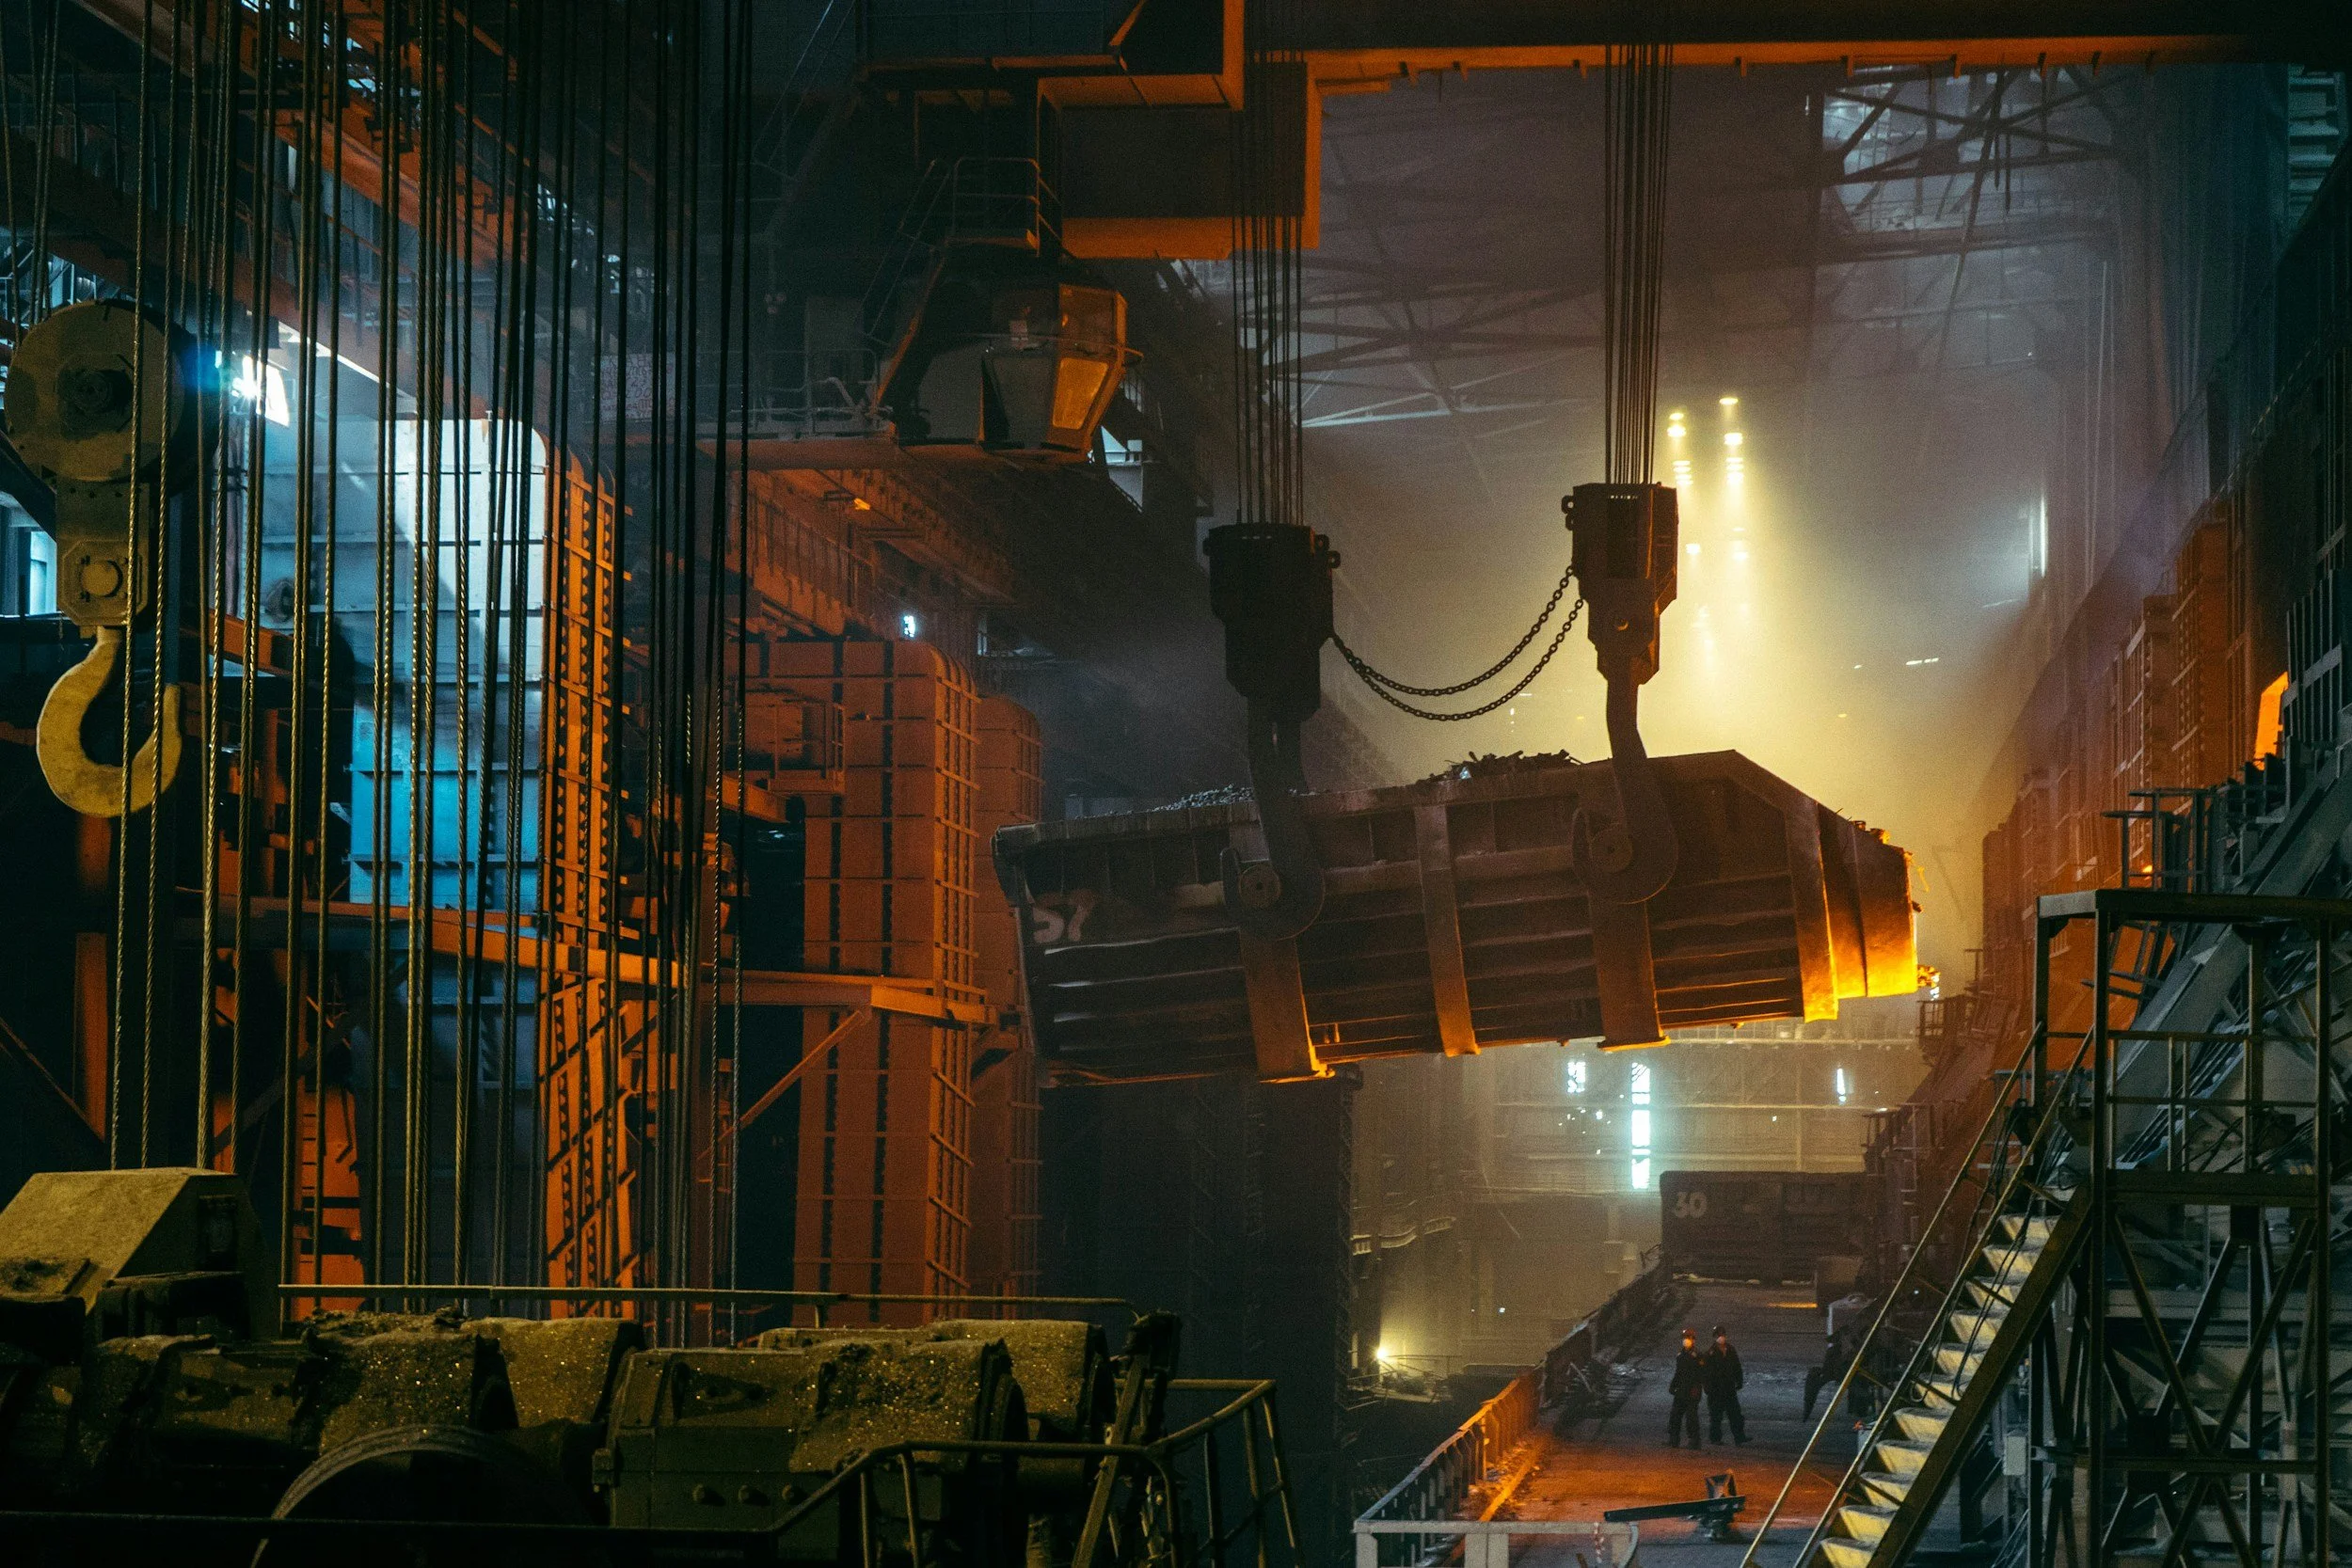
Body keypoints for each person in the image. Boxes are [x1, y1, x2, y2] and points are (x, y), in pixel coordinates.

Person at [1705, 1325, 1748, 1444]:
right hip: (1716, 1389)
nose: (1721, 1337)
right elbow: (1706, 1372)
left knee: (1735, 1414)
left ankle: (1739, 1437)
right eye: (1718, 1335)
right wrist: (1707, 1387)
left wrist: (1739, 1381)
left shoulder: (1731, 1350)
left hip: (1729, 1388)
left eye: (1722, 1335)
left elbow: (1737, 1367)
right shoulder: (1710, 1353)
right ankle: (1715, 1439)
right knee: (1716, 1416)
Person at [1664, 1327, 1705, 1449]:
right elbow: (1678, 1373)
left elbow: (1701, 1374)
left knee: (1691, 1418)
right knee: (1675, 1416)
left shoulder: (1697, 1356)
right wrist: (1673, 1386)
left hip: (1692, 1391)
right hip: (1681, 1390)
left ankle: (1694, 1441)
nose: (1686, 1340)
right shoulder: (1680, 1355)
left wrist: (1697, 1389)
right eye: (1684, 1338)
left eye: (1688, 1338)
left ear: (1693, 1340)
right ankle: (1673, 1439)